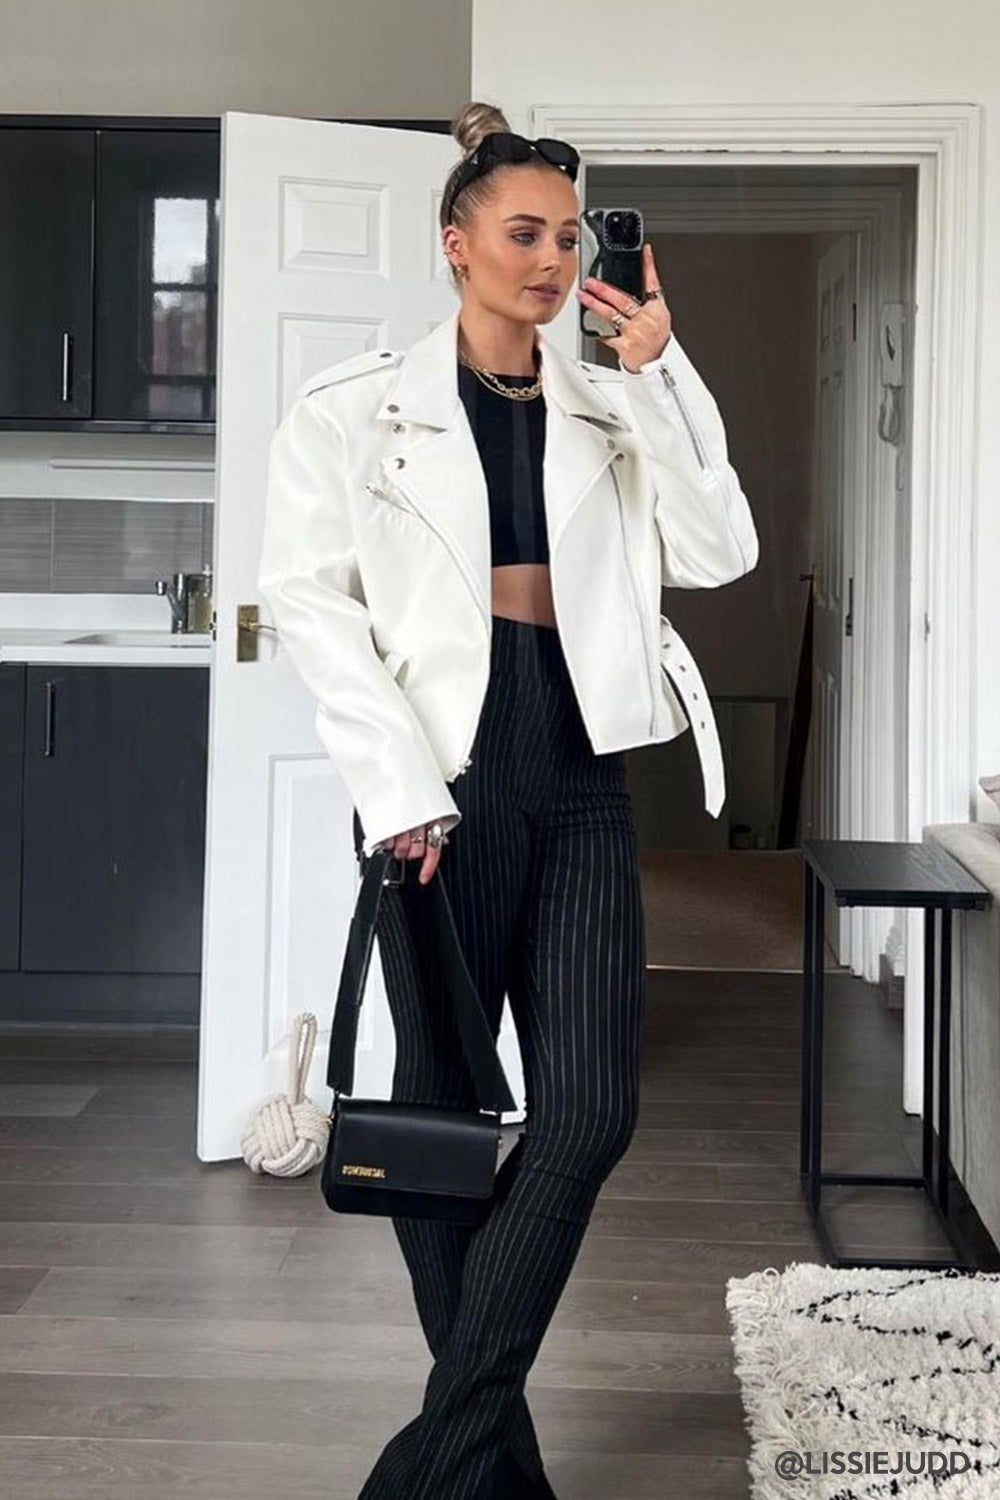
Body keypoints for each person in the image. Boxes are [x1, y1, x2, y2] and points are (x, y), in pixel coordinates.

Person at [259, 99, 758, 1500]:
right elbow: (311, 604)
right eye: (524, 232)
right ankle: (493, 1467)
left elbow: (719, 549)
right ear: (456, 241)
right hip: (441, 783)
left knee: (588, 1113)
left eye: (571, 236)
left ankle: (440, 1457)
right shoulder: (353, 408)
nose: (552, 259)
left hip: (583, 771)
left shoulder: (611, 401)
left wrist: (659, 370)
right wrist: (396, 786)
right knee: (446, 1118)